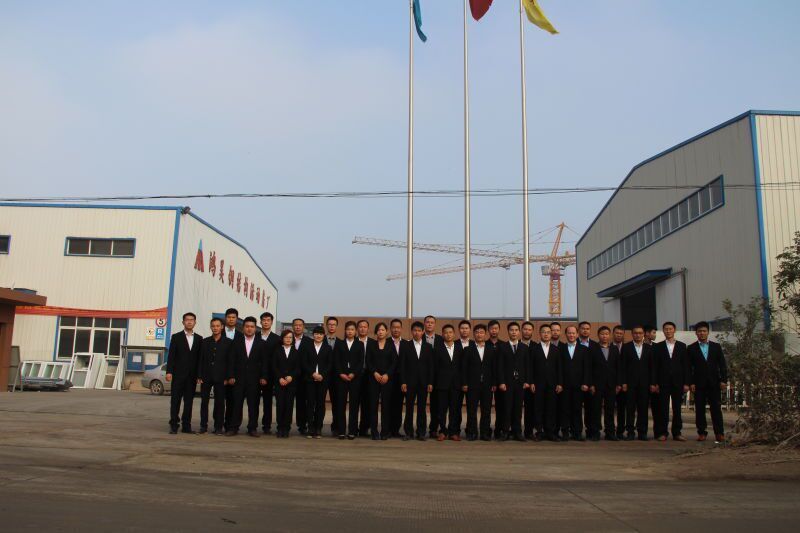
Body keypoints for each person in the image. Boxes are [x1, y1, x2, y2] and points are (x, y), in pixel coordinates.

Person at [226, 317, 268, 437]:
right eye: (247, 326)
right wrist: (230, 376)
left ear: (255, 328)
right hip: (238, 379)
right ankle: (234, 428)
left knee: (253, 405)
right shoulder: (236, 342)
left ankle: (252, 428)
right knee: (236, 404)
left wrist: (264, 376)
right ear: (243, 328)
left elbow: (264, 362)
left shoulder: (261, 343)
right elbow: (231, 360)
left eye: (252, 327)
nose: (249, 329)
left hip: (254, 380)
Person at [688, 321, 728, 444]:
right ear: (696, 333)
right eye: (699, 331)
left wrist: (723, 380)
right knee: (700, 409)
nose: (702, 333)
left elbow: (722, 365)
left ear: (708, 332)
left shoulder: (716, 347)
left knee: (716, 409)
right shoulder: (691, 348)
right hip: (698, 384)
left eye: (704, 331)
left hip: (714, 383)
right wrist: (691, 383)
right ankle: (701, 432)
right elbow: (689, 367)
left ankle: (719, 433)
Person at [166, 312, 202, 434]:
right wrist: (169, 371)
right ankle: (174, 425)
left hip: (191, 376)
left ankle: (186, 426)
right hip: (178, 375)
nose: (189, 322)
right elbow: (171, 356)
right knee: (175, 400)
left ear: (195, 322)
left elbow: (200, 359)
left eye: (192, 320)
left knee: (189, 402)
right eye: (187, 320)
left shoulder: (199, 339)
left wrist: (199, 375)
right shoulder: (176, 337)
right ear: (183, 322)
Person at [654, 321, 690, 442]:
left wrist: (686, 383)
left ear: (674, 330)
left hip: (677, 382)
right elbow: (655, 366)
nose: (668, 331)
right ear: (663, 331)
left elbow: (686, 366)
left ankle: (677, 433)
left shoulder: (682, 346)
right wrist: (655, 382)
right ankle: (662, 432)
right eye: (666, 329)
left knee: (677, 409)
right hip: (663, 382)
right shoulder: (658, 347)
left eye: (670, 329)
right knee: (663, 409)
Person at [400, 321, 434, 441]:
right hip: (409, 383)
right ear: (411, 331)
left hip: (423, 383)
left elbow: (431, 366)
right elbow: (402, 366)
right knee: (409, 408)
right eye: (415, 330)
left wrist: (430, 382)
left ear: (423, 332)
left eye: (419, 330)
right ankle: (408, 432)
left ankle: (421, 432)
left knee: (421, 408)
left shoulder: (428, 347)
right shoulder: (405, 346)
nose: (417, 333)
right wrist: (403, 382)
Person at [621, 325, 656, 441]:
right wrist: (624, 382)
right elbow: (623, 366)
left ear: (644, 334)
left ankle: (642, 432)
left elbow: (652, 367)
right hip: (630, 384)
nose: (638, 335)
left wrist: (652, 383)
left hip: (645, 384)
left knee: (643, 409)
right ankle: (630, 432)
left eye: (640, 333)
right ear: (632, 334)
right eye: (635, 333)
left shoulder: (649, 348)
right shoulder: (626, 347)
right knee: (630, 409)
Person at [497, 322, 530, 441]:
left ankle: (517, 432)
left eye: (516, 330)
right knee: (506, 408)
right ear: (508, 332)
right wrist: (501, 382)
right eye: (512, 330)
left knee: (518, 408)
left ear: (519, 332)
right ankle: (505, 431)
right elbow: (499, 366)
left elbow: (527, 366)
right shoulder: (502, 347)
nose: (514, 332)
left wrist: (527, 381)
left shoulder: (524, 347)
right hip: (507, 383)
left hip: (520, 383)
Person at [197, 317, 231, 435]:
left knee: (220, 403)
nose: (215, 328)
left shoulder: (228, 342)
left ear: (222, 327)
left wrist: (227, 377)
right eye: (213, 326)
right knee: (204, 402)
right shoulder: (205, 342)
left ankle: (218, 427)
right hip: (206, 376)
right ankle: (203, 426)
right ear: (211, 327)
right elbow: (200, 359)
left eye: (217, 326)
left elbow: (230, 361)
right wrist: (199, 375)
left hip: (221, 378)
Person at [463, 325, 497, 441]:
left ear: (485, 334)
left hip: (487, 385)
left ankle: (485, 433)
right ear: (473, 334)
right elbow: (464, 368)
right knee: (471, 410)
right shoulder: (468, 349)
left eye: (481, 332)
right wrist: (465, 383)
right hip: (472, 385)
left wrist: (494, 383)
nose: (479, 334)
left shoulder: (491, 349)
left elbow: (494, 368)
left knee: (486, 410)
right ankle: (472, 432)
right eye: (477, 332)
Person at [588, 326, 622, 441]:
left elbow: (618, 367)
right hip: (597, 384)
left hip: (611, 384)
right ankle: (595, 432)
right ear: (598, 335)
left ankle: (610, 432)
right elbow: (589, 368)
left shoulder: (614, 349)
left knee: (610, 410)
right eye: (602, 334)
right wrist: (591, 384)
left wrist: (618, 384)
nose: (604, 336)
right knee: (596, 409)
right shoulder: (593, 348)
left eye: (607, 334)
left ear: (609, 335)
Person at [530, 324, 563, 441]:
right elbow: (530, 367)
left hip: (552, 384)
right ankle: (539, 432)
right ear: (540, 333)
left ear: (551, 334)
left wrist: (560, 383)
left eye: (548, 332)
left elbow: (559, 368)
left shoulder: (556, 349)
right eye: (544, 332)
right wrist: (531, 382)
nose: (546, 334)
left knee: (551, 408)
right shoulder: (534, 348)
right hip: (538, 384)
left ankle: (550, 432)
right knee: (538, 408)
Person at [433, 324, 466, 441]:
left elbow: (463, 367)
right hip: (442, 384)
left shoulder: (460, 348)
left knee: (455, 409)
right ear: (442, 334)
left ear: (454, 334)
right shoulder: (437, 349)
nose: (448, 334)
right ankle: (443, 431)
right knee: (441, 409)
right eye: (446, 332)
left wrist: (463, 383)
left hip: (456, 384)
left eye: (450, 332)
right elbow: (434, 368)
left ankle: (453, 432)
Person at [334, 321, 365, 440]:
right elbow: (336, 360)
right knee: (340, 405)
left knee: (354, 405)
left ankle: (352, 431)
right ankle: (341, 431)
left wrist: (353, 373)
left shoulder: (360, 344)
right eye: (348, 329)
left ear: (355, 331)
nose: (350, 331)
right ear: (345, 331)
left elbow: (360, 362)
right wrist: (341, 373)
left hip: (355, 378)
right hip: (341, 378)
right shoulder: (339, 344)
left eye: (352, 329)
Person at [559, 325, 591, 441]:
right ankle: (565, 432)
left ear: (577, 334)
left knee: (577, 409)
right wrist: (560, 383)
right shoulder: (560, 349)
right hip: (565, 385)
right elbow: (559, 368)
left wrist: (586, 383)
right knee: (565, 409)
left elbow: (587, 368)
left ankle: (577, 432)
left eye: (573, 333)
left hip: (579, 385)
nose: (571, 335)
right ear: (565, 334)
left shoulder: (584, 349)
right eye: (569, 333)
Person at [366, 322, 396, 440]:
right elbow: (368, 361)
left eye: (383, 330)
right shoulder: (371, 345)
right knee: (373, 406)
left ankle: (385, 431)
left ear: (386, 332)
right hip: (373, 378)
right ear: (376, 332)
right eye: (378, 330)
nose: (381, 332)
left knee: (386, 406)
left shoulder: (391, 345)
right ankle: (374, 431)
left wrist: (387, 374)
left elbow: (394, 362)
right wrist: (375, 372)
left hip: (387, 379)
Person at [303, 326, 333, 439]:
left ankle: (318, 427)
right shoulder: (307, 347)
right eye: (316, 334)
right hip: (310, 379)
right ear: (313, 335)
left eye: (320, 334)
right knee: (310, 403)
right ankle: (310, 427)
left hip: (323, 380)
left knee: (320, 404)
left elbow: (330, 364)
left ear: (323, 335)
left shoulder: (328, 348)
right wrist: (313, 373)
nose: (318, 336)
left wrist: (322, 375)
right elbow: (304, 362)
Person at [273, 330, 300, 438]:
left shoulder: (296, 352)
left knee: (289, 406)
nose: (288, 339)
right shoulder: (277, 351)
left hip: (291, 383)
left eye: (290, 337)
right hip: (279, 383)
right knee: (280, 405)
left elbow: (298, 368)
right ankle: (280, 428)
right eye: (286, 337)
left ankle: (286, 428)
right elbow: (274, 366)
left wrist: (291, 376)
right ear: (282, 338)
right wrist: (279, 378)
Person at [259, 312, 280, 435]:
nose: (266, 322)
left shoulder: (277, 339)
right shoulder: (255, 336)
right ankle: (252, 425)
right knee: (253, 401)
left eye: (268, 320)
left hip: (271, 375)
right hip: (255, 374)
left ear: (272, 322)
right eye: (264, 320)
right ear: (260, 322)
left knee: (267, 402)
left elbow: (277, 359)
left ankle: (266, 425)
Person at [423, 315, 444, 439]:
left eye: (432, 322)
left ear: (435, 325)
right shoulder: (419, 337)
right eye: (427, 322)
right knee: (422, 404)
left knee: (436, 405)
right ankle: (421, 429)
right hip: (422, 376)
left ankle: (433, 429)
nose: (429, 324)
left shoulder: (441, 339)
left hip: (437, 377)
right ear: (424, 324)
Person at [578, 321, 599, 435]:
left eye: (587, 329)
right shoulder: (572, 344)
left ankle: (591, 431)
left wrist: (592, 383)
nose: (585, 330)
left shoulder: (595, 345)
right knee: (576, 409)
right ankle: (576, 431)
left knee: (591, 409)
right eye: (583, 328)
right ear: (578, 330)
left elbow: (596, 367)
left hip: (591, 384)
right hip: (577, 383)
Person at [292, 318, 312, 436]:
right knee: (287, 402)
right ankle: (284, 425)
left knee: (302, 402)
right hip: (289, 376)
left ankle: (302, 426)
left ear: (303, 327)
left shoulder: (309, 341)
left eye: (300, 325)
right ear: (292, 327)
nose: (298, 327)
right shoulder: (286, 339)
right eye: (296, 325)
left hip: (304, 377)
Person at [356, 319, 377, 438]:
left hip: (369, 376)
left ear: (368, 329)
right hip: (355, 376)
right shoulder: (352, 342)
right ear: (357, 328)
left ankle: (364, 428)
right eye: (360, 327)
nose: (362, 329)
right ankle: (353, 428)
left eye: (365, 327)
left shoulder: (373, 343)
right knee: (355, 403)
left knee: (367, 403)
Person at [325, 316, 344, 436]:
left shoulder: (341, 343)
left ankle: (336, 426)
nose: (331, 326)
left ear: (336, 326)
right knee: (317, 402)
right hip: (322, 376)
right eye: (330, 324)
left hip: (336, 377)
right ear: (327, 326)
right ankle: (316, 426)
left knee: (337, 403)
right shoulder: (319, 340)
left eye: (334, 324)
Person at [388, 319, 406, 438]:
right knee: (388, 404)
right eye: (394, 327)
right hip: (388, 378)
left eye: (398, 327)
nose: (396, 329)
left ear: (401, 329)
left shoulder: (406, 344)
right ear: (390, 329)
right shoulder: (386, 342)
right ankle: (387, 429)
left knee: (398, 405)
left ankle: (396, 429)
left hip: (401, 379)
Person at [487, 320, 505, 440]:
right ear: (488, 330)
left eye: (496, 328)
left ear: (499, 330)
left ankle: (499, 430)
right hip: (487, 381)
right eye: (492, 328)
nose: (494, 331)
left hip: (501, 382)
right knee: (486, 407)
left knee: (501, 407)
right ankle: (486, 429)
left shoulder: (504, 345)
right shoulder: (484, 344)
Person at [520, 321, 537, 440]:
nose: (527, 331)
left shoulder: (536, 346)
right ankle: (514, 430)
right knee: (514, 408)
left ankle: (528, 431)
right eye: (525, 329)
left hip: (530, 383)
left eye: (529, 330)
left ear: (532, 331)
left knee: (530, 409)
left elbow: (535, 367)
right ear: (521, 330)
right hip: (516, 383)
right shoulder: (515, 345)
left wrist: (531, 382)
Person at [611, 325, 627, 439]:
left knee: (622, 409)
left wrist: (622, 383)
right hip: (610, 384)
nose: (618, 335)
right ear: (613, 334)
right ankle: (610, 430)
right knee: (609, 409)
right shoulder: (607, 346)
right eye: (617, 333)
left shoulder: (628, 348)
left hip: (624, 384)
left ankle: (620, 431)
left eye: (621, 333)